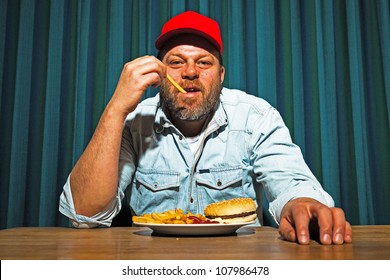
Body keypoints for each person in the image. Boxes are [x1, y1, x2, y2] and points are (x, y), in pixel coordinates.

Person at [59, 11, 352, 245]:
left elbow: (291, 183)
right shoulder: (134, 120)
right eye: (176, 62)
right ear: (158, 75)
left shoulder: (256, 116)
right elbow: (85, 216)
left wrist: (302, 204)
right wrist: (115, 109)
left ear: (221, 75)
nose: (189, 72)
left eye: (203, 62)